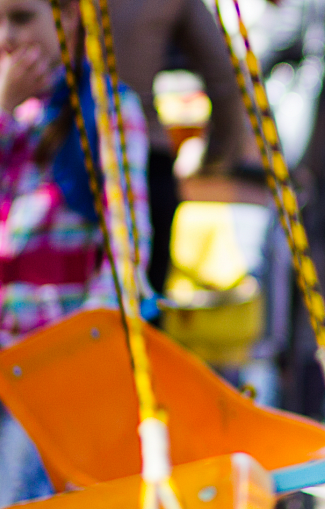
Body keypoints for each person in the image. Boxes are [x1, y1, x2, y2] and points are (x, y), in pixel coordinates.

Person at [0, 0, 149, 509]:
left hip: (53, 344)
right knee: (4, 496)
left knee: (26, 505)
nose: (4, 36)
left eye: (21, 17)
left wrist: (92, 340)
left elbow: (128, 240)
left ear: (68, 17)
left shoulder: (108, 108)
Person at [106, 0, 251, 295]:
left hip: (52, 155)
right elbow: (226, 78)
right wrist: (215, 159)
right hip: (144, 162)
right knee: (142, 316)